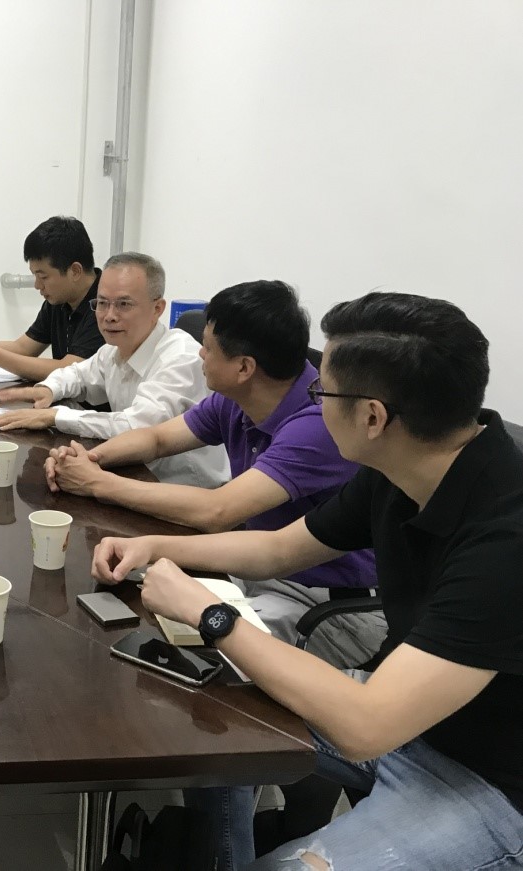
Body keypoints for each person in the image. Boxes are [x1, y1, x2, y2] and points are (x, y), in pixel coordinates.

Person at [92, 292, 523, 871]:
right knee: (206, 710)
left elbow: (367, 726)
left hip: (486, 780)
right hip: (398, 708)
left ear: (372, 417)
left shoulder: (506, 541)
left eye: (323, 391)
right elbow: (278, 548)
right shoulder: (401, 469)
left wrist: (212, 615)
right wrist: (154, 546)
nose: (313, 400)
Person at [48, 281, 379, 661]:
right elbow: (157, 439)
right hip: (256, 569)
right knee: (140, 606)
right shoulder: (237, 397)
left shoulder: (316, 424)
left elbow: (218, 510)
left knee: (190, 653)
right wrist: (88, 462)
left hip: (323, 601)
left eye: (207, 346)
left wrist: (97, 484)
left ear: (244, 367)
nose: (199, 353)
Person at [0, 252, 228, 487]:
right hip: (132, 473)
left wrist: (54, 416)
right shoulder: (114, 349)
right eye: (102, 303)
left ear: (157, 308)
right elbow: (78, 375)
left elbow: (136, 427)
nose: (109, 316)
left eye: (123, 304)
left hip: (185, 488)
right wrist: (48, 389)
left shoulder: (181, 358)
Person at [0, 216, 105, 381]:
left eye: (43, 277)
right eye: (35, 276)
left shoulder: (106, 306)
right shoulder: (59, 301)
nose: (37, 285)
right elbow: (23, 347)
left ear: (75, 271)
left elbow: (70, 370)